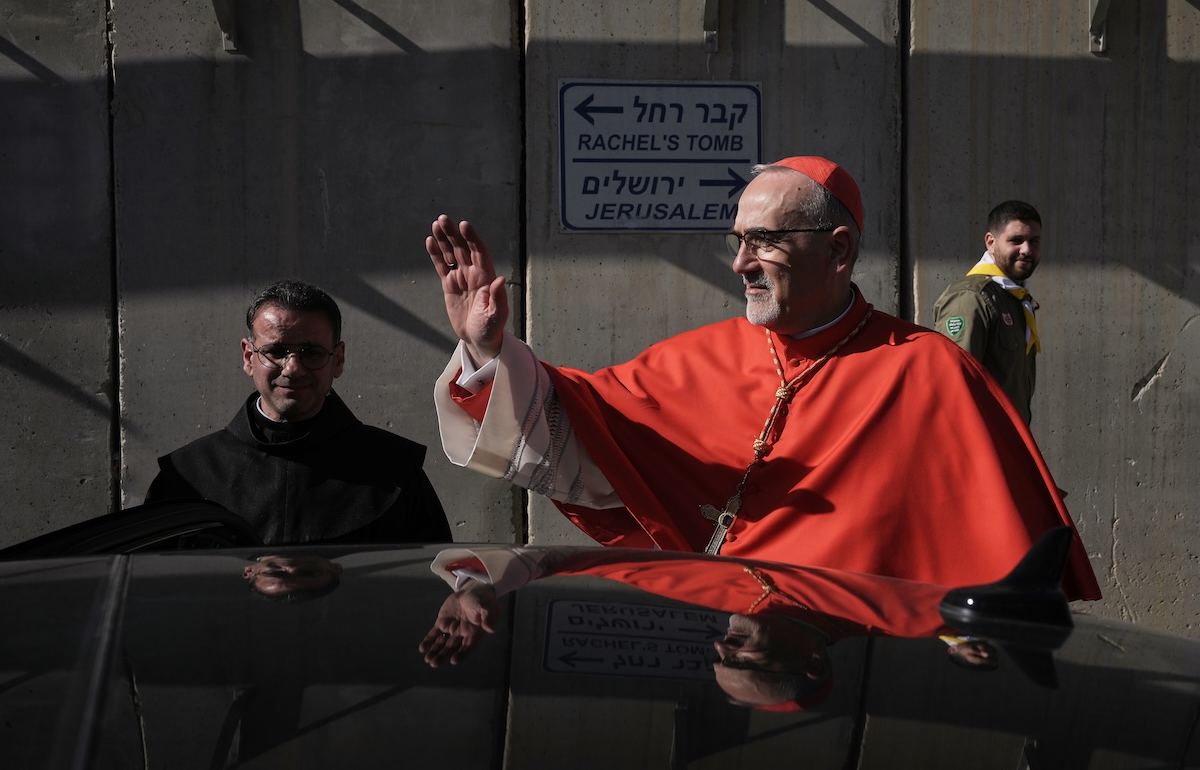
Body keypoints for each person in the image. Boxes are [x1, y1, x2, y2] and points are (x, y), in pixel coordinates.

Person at [425, 156, 1099, 600]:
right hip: (712, 639)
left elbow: (996, 552)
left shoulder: (927, 370)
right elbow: (581, 438)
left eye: (765, 242)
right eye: (737, 240)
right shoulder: (697, 356)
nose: (740, 263)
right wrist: (487, 351)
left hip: (862, 660)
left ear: (837, 250)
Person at [418, 544, 955, 710]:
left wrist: (477, 583)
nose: (721, 642)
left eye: (719, 659)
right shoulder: (899, 604)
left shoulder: (709, 585)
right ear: (813, 662)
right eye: (740, 658)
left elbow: (569, 560)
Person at [145, 279, 451, 546]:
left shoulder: (394, 470)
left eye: (312, 353)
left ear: (338, 359)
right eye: (276, 351)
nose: (292, 369)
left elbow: (433, 595)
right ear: (249, 357)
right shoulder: (186, 476)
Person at [932, 201, 1043, 424]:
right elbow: (951, 389)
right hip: (982, 448)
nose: (1027, 250)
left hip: (1010, 442)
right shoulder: (970, 298)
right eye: (1016, 241)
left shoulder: (1015, 298)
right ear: (991, 242)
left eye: (1034, 241)